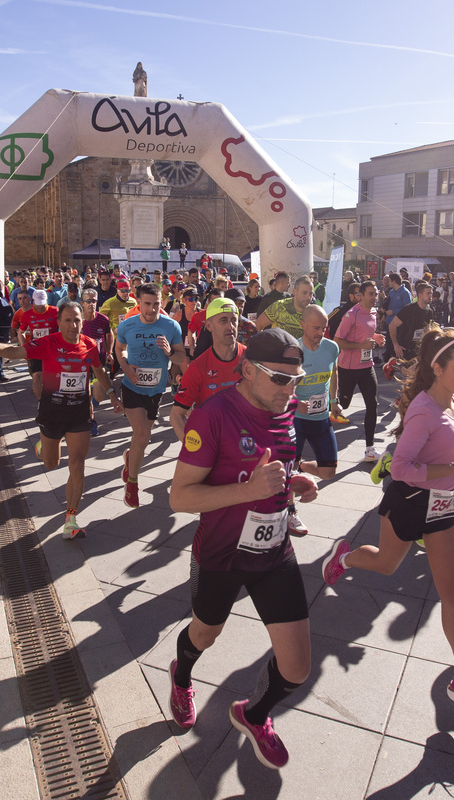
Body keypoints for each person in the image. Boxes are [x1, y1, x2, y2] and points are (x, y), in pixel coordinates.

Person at [322, 326, 454, 722]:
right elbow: (401, 468)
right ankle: (346, 558)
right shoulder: (423, 408)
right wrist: (453, 464)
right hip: (410, 502)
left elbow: (450, 429)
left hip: (442, 506)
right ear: (437, 368)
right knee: (387, 564)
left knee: (451, 593)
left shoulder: (453, 397)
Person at [166, 328, 319, 770]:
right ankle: (182, 674)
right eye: (278, 378)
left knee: (297, 669)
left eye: (296, 379)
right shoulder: (212, 416)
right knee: (204, 635)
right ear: (248, 370)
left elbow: (277, 465)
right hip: (221, 555)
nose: (289, 389)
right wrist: (250, 490)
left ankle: (252, 715)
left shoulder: (284, 406)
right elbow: (181, 497)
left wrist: (293, 483)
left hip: (274, 553)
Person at [0, 303, 109, 538]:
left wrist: (114, 396)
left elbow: (99, 373)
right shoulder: (49, 343)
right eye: (67, 320)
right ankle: (42, 446)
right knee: (51, 464)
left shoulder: (89, 344)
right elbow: (14, 352)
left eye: (77, 320)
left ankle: (71, 519)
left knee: (77, 463)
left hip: (79, 413)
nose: (73, 325)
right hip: (52, 413)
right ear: (59, 323)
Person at [114, 283, 187, 508]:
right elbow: (119, 349)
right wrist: (125, 367)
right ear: (139, 303)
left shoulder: (171, 326)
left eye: (156, 304)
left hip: (156, 390)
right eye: (147, 304)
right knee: (143, 434)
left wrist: (168, 352)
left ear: (161, 302)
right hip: (132, 387)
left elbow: (180, 357)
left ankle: (130, 459)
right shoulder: (127, 325)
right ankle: (133, 484)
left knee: (141, 439)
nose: (152, 309)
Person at [289, 305, 341, 535]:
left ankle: (301, 466)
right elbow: (282, 385)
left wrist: (334, 400)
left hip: (321, 419)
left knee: (329, 471)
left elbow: (335, 372)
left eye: (324, 327)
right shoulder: (293, 352)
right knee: (287, 475)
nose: (321, 332)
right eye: (316, 328)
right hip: (296, 421)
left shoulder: (331, 348)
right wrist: (295, 402)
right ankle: (291, 513)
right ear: (303, 325)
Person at [170, 298, 245, 442]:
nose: (230, 326)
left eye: (234, 320)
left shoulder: (251, 360)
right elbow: (176, 416)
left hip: (246, 446)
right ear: (209, 326)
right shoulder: (199, 367)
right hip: (212, 445)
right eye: (223, 320)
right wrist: (193, 450)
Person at [334, 280, 387, 462]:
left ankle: (370, 449)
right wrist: (361, 345)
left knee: (372, 405)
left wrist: (375, 337)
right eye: (370, 294)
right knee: (344, 405)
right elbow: (338, 340)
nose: (374, 297)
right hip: (348, 368)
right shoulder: (351, 315)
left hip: (366, 366)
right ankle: (327, 409)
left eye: (376, 294)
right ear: (361, 295)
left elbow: (366, 334)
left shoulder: (373, 312)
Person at [17, 290, 60, 400]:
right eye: (38, 304)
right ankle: (41, 402)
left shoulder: (55, 311)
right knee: (37, 375)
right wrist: (24, 348)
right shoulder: (27, 314)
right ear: (33, 301)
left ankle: (54, 398)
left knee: (53, 376)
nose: (41, 307)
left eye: (43, 304)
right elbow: (20, 332)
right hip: (36, 348)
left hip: (52, 349)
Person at [388, 281, 435, 363]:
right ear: (420, 295)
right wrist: (396, 345)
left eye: (431, 293)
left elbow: (426, 329)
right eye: (428, 293)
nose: (430, 296)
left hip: (418, 349)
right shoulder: (408, 309)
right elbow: (392, 325)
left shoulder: (429, 311)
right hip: (405, 349)